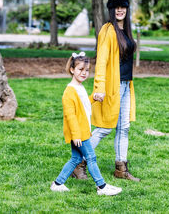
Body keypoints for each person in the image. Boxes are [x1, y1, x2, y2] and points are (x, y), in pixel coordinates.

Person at [72, 0, 140, 182]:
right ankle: (78, 164)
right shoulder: (107, 30)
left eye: (123, 7)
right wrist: (99, 87)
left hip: (126, 84)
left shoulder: (126, 29)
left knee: (123, 127)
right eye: (116, 7)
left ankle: (121, 168)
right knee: (104, 128)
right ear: (111, 10)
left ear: (127, 9)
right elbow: (101, 61)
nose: (120, 10)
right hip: (111, 86)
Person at [50, 52, 122, 196]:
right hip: (79, 133)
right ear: (72, 70)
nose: (84, 73)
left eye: (87, 70)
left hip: (82, 131)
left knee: (76, 158)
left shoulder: (79, 88)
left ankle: (57, 184)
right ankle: (102, 186)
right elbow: (70, 116)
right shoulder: (69, 92)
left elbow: (82, 106)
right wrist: (76, 135)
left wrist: (93, 98)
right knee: (91, 158)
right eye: (80, 69)